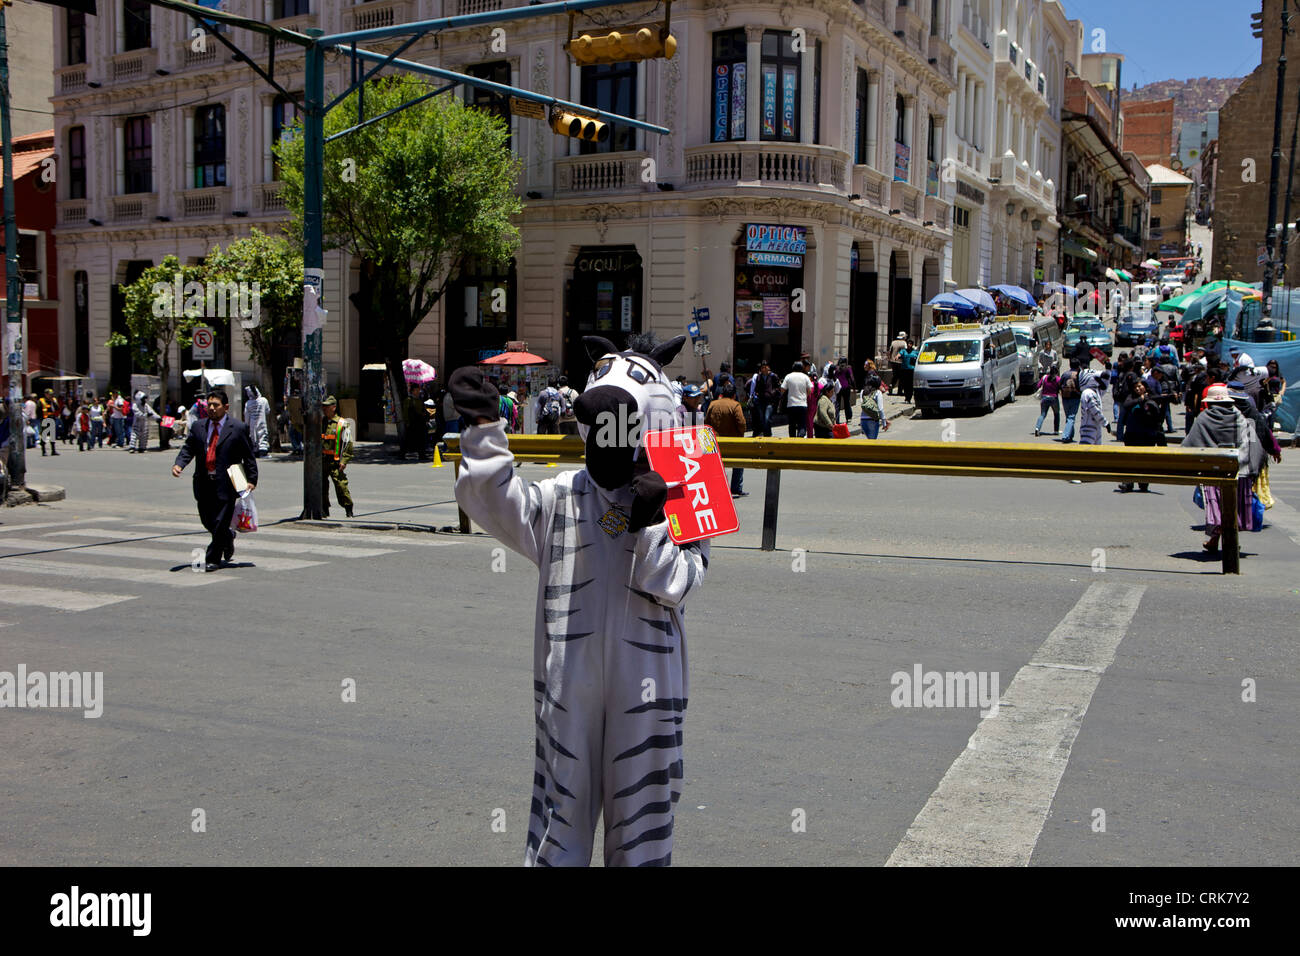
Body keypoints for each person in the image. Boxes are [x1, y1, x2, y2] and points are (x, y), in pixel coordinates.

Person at [450, 333, 708, 866]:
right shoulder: (564, 493)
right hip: (569, 681)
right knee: (558, 818)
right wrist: (482, 431)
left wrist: (653, 520)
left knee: (643, 824)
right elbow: (497, 505)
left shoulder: (688, 485)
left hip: (650, 684)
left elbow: (680, 582)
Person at [171, 390, 258, 572]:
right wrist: (179, 464)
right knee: (207, 519)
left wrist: (251, 479)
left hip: (229, 480)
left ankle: (213, 557)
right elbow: (188, 449)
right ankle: (227, 536)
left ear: (225, 407)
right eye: (209, 405)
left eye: (216, 405)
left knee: (220, 520)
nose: (211, 408)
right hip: (204, 480)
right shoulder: (199, 427)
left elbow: (248, 456)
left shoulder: (238, 428)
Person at [1182, 385, 1266, 553]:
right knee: (1232, 508)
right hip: (1239, 472)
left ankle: (1216, 539)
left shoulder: (1204, 418)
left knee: (1217, 509)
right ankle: (1227, 540)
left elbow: (1188, 445)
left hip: (1213, 474)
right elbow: (1254, 446)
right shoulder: (1240, 417)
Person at [1117, 380, 1170, 492]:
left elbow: (1160, 414)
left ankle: (1143, 482)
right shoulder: (1131, 398)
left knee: (1145, 460)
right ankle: (1128, 483)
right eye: (1135, 387)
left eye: (1139, 386)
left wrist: (1168, 399)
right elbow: (1126, 405)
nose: (1137, 389)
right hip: (1132, 433)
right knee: (1130, 460)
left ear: (1145, 387)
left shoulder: (1152, 397)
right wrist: (1140, 399)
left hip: (1147, 434)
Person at [704, 381, 748, 496]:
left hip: (715, 441)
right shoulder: (735, 405)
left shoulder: (713, 404)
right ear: (734, 395)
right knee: (739, 463)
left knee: (715, 466)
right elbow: (742, 424)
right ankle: (736, 488)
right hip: (732, 442)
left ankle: (716, 487)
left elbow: (706, 423)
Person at [321, 395, 355, 517]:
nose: (324, 409)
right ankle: (324, 509)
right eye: (323, 406)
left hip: (335, 461)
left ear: (333, 407)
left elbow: (348, 443)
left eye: (326, 407)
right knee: (322, 486)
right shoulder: (321, 422)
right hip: (323, 461)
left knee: (341, 485)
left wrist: (344, 460)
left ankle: (348, 509)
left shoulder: (342, 423)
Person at [780, 360, 812, 437]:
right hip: (802, 404)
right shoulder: (805, 377)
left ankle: (792, 441)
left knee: (792, 425)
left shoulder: (788, 376)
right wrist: (804, 396)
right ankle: (800, 439)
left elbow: (782, 389)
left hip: (791, 405)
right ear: (802, 368)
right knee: (802, 425)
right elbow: (810, 390)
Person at [750, 361, 779, 437]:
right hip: (761, 400)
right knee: (762, 419)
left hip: (770, 401)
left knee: (767, 418)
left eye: (765, 367)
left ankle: (768, 434)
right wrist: (757, 393)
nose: (764, 369)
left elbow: (777, 387)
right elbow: (756, 387)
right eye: (762, 367)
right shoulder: (759, 377)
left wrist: (772, 393)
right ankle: (767, 433)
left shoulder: (773, 376)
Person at [1077, 370, 1106, 445]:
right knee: (1085, 452)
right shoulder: (1088, 393)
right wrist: (1105, 423)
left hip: (1095, 426)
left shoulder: (1095, 392)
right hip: (1089, 428)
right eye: (1097, 379)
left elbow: (1105, 385)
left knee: (1097, 453)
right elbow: (1095, 410)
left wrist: (1108, 371)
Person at [243, 385, 271, 457]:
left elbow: (246, 416)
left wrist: (246, 425)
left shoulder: (248, 403)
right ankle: (263, 453)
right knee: (262, 436)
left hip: (252, 423)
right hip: (262, 421)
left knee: (254, 437)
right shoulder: (264, 400)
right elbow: (268, 411)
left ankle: (255, 452)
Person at [1034, 365, 1061, 436]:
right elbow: (1061, 388)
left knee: (1042, 414)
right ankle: (1056, 430)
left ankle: (1037, 428)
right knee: (1056, 414)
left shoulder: (1044, 377)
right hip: (1054, 398)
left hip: (1044, 398)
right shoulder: (1058, 379)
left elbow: (1038, 386)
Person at [1058, 362, 1081, 442]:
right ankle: (1066, 436)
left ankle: (1070, 435)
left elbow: (1059, 385)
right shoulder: (1078, 375)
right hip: (1075, 397)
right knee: (1071, 417)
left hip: (1065, 398)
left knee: (1069, 417)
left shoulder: (1065, 374)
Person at [859, 374, 887, 439]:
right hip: (872, 420)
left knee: (869, 440)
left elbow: (862, 404)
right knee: (872, 443)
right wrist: (884, 423)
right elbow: (880, 409)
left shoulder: (863, 391)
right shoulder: (878, 392)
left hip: (863, 420)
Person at [37, 389, 59, 456]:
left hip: (52, 418)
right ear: (46, 394)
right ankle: (43, 451)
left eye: (51, 394)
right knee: (44, 435)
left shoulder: (53, 400)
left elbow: (57, 408)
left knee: (52, 435)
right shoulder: (41, 401)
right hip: (45, 419)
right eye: (49, 394)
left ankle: (53, 450)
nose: (51, 395)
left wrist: (53, 402)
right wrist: (41, 418)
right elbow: (38, 410)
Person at [900, 339, 918, 403]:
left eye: (910, 344)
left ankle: (909, 398)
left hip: (912, 370)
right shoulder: (903, 351)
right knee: (905, 384)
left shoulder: (915, 352)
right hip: (904, 369)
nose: (909, 345)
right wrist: (897, 356)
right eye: (908, 343)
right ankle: (906, 397)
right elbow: (899, 354)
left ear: (912, 345)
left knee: (910, 384)